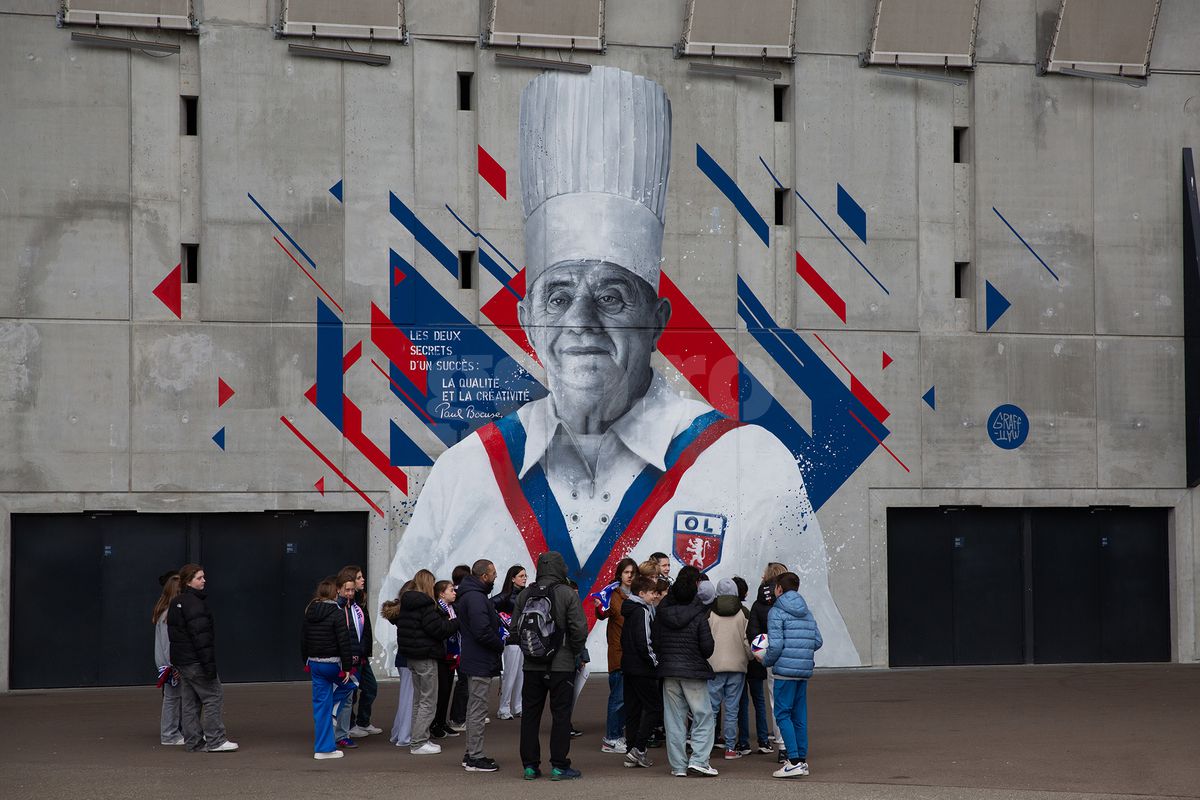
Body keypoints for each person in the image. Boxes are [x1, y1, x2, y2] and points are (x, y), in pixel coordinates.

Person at [380, 65, 858, 672]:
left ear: (657, 319)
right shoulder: (463, 473)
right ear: (527, 319)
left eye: (610, 296)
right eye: (557, 296)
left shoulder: (749, 465)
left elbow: (821, 645)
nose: (580, 322)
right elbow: (392, 637)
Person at [514, 551, 588, 781]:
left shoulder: (526, 594)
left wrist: (531, 649)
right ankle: (559, 766)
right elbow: (579, 629)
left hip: (532, 665)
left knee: (530, 717)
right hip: (561, 665)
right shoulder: (567, 593)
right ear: (560, 568)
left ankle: (529, 766)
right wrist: (575, 651)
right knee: (561, 716)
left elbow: (514, 628)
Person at [167, 563, 238, 753]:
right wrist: (208, 665)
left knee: (190, 701)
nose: (204, 580)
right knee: (213, 696)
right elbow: (201, 637)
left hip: (182, 661)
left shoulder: (176, 602)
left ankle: (193, 741)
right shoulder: (195, 604)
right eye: (199, 577)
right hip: (196, 660)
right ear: (189, 581)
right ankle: (216, 739)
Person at [760, 571, 822, 778]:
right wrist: (801, 650)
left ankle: (793, 760)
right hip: (803, 670)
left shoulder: (776, 611)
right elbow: (817, 641)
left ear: (779, 588)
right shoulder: (807, 611)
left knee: (782, 713)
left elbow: (775, 646)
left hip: (784, 671)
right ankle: (801, 760)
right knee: (799, 714)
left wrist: (766, 660)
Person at [653, 578, 716, 777]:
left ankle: (678, 766)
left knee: (673, 719)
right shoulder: (699, 616)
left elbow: (656, 643)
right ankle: (699, 760)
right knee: (703, 716)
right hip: (694, 672)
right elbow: (707, 649)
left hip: (669, 671)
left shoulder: (662, 615)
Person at [395, 569, 459, 755]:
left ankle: (416, 738)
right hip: (426, 655)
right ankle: (419, 742)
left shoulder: (407, 603)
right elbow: (438, 629)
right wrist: (456, 622)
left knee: (418, 700)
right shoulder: (426, 605)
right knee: (428, 700)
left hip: (412, 656)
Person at [454, 559, 504, 772]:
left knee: (475, 708)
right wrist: (499, 643)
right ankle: (475, 756)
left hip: (477, 659)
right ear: (484, 576)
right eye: (493, 574)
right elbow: (482, 630)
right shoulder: (476, 598)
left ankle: (471, 753)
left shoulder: (474, 595)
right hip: (479, 661)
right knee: (477, 709)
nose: (495, 577)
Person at [302, 577, 356, 760]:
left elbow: (303, 639)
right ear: (335, 593)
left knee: (319, 705)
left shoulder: (310, 611)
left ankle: (323, 749)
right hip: (332, 663)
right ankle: (333, 712)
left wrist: (306, 662)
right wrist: (347, 667)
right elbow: (344, 642)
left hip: (314, 663)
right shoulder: (338, 612)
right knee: (352, 684)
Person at [620, 574, 665, 768]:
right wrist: (655, 663)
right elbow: (644, 641)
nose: (654, 596)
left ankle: (632, 750)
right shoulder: (643, 611)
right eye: (651, 592)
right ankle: (638, 748)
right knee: (654, 707)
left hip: (628, 666)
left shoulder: (629, 609)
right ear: (641, 593)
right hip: (642, 668)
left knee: (633, 709)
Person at [594, 557, 636, 753]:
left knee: (626, 699)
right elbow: (602, 613)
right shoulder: (613, 593)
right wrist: (597, 605)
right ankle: (611, 738)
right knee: (617, 699)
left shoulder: (636, 593)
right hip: (618, 653)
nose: (630, 576)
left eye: (633, 573)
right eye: (627, 572)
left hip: (632, 654)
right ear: (620, 574)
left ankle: (618, 734)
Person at [707, 578, 751, 760]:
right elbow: (747, 641)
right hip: (737, 666)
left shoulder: (709, 611)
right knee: (732, 709)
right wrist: (748, 657)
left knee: (711, 709)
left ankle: (706, 746)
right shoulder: (743, 612)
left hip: (714, 665)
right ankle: (731, 749)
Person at [748, 562, 787, 756]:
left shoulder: (758, 604)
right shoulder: (790, 601)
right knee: (795, 703)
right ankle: (792, 746)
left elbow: (752, 632)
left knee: (776, 701)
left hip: (771, 657)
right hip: (793, 657)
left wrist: (760, 654)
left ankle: (782, 745)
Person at [345, 565, 381, 738]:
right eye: (359, 577)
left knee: (371, 687)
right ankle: (350, 724)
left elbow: (364, 629)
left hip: (362, 654)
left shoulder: (360, 601)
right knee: (351, 690)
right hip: (353, 654)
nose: (363, 580)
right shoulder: (348, 602)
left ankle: (363, 721)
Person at [333, 570, 364, 749]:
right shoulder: (336, 608)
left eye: (352, 590)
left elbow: (357, 634)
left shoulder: (355, 608)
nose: (350, 593)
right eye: (347, 590)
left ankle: (342, 734)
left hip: (352, 659)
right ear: (338, 589)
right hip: (340, 660)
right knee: (337, 697)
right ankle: (334, 734)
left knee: (348, 698)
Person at [492, 565, 528, 720]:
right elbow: (489, 605)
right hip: (511, 640)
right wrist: (502, 622)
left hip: (523, 639)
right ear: (512, 578)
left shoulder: (526, 595)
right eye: (521, 576)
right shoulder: (505, 596)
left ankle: (518, 706)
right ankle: (503, 707)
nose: (524, 578)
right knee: (510, 674)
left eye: (525, 575)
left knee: (521, 674)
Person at [381, 582, 414, 747]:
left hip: (403, 658)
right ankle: (404, 735)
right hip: (409, 658)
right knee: (410, 698)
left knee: (406, 697)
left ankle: (400, 732)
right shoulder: (409, 614)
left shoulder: (399, 614)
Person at [152, 575, 183, 746]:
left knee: (173, 698)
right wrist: (174, 665)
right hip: (171, 664)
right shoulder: (168, 614)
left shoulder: (164, 611)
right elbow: (168, 644)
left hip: (167, 663)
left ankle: (172, 733)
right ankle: (170, 734)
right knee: (172, 698)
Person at [431, 580, 461, 739]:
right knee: (440, 690)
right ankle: (434, 723)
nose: (454, 592)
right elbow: (444, 628)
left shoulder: (453, 608)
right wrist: (454, 623)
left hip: (453, 653)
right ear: (441, 593)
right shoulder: (437, 609)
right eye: (451, 590)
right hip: (442, 654)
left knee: (447, 688)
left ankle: (442, 721)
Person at [447, 564, 471, 731]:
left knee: (463, 682)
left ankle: (459, 716)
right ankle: (457, 718)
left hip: (458, 646)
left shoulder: (459, 596)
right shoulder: (462, 596)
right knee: (464, 682)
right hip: (458, 647)